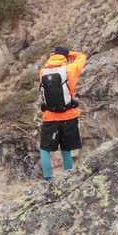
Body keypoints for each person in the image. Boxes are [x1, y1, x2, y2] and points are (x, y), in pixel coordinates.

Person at [39, 46, 87, 181]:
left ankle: (47, 179)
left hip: (50, 117)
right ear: (65, 57)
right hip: (69, 115)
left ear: (52, 56)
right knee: (66, 148)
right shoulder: (69, 69)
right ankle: (68, 177)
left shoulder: (43, 72)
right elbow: (82, 57)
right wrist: (68, 54)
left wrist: (56, 55)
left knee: (45, 149)